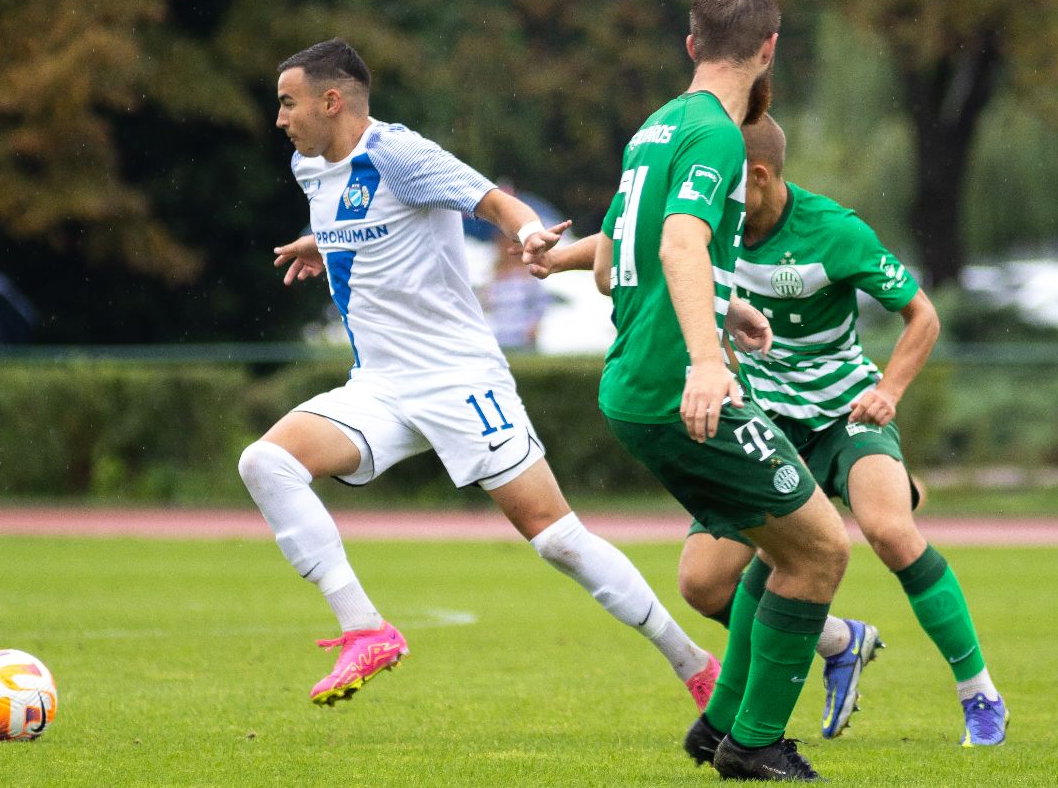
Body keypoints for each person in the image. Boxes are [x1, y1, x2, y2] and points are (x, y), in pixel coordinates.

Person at [237, 38, 720, 712]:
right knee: (265, 463)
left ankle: (695, 664)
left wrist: (528, 232)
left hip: (459, 379)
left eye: (289, 103)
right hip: (379, 385)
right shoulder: (309, 167)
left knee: (557, 540)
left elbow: (490, 201)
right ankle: (366, 630)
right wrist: (326, 243)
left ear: (332, 100)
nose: (280, 118)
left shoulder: (399, 153)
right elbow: (367, 215)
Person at [674, 114, 1006, 747]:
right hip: (766, 423)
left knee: (890, 531)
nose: (714, 195)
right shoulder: (711, 230)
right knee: (702, 581)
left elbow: (923, 316)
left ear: (759, 176)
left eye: (725, 183)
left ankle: (980, 694)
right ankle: (837, 642)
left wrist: (889, 392)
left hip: (844, 416)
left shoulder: (834, 230)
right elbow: (632, 250)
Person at [590, 0, 850, 780]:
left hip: (632, 383)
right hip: (678, 388)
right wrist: (707, 359)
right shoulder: (718, 136)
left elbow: (610, 266)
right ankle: (754, 745)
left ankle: (720, 727)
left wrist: (723, 303)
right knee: (820, 553)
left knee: (781, 548)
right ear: (769, 48)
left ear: (691, 44)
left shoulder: (655, 127)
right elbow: (677, 245)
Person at [479, 226, 551, 351]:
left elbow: (540, 304)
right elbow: (485, 305)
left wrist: (534, 326)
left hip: (523, 338)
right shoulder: (494, 275)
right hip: (500, 337)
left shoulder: (528, 273)